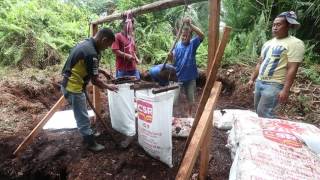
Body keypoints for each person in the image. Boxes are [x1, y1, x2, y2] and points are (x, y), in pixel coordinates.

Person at [61, 28, 118, 152]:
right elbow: (95, 81)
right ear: (104, 40)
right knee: (81, 115)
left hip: (75, 83)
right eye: (108, 45)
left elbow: (87, 64)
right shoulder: (91, 53)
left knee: (83, 111)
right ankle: (90, 142)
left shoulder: (86, 44)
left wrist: (102, 71)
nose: (107, 48)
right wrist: (109, 87)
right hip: (73, 87)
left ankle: (89, 132)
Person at [248, 11, 305, 118]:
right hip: (260, 82)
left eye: (278, 25)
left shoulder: (295, 43)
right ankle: (263, 132)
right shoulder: (268, 43)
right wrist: (252, 79)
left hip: (274, 84)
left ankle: (270, 133)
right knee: (257, 110)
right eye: (274, 25)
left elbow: (292, 68)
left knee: (265, 112)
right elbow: (260, 63)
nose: (274, 27)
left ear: (288, 26)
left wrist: (285, 90)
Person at [168, 17, 204, 117]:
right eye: (182, 36)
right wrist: (170, 58)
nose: (184, 38)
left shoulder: (193, 44)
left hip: (190, 77)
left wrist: (190, 25)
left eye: (186, 36)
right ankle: (172, 116)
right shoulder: (177, 46)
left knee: (191, 99)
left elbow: (202, 35)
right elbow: (174, 63)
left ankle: (189, 114)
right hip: (178, 77)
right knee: (174, 100)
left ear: (190, 37)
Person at [112, 13, 140, 80]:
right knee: (123, 86)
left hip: (133, 68)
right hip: (122, 69)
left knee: (136, 84)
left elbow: (133, 51)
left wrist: (136, 59)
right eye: (128, 24)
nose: (130, 26)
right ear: (123, 24)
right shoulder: (117, 36)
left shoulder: (131, 38)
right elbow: (115, 50)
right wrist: (127, 56)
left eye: (132, 24)